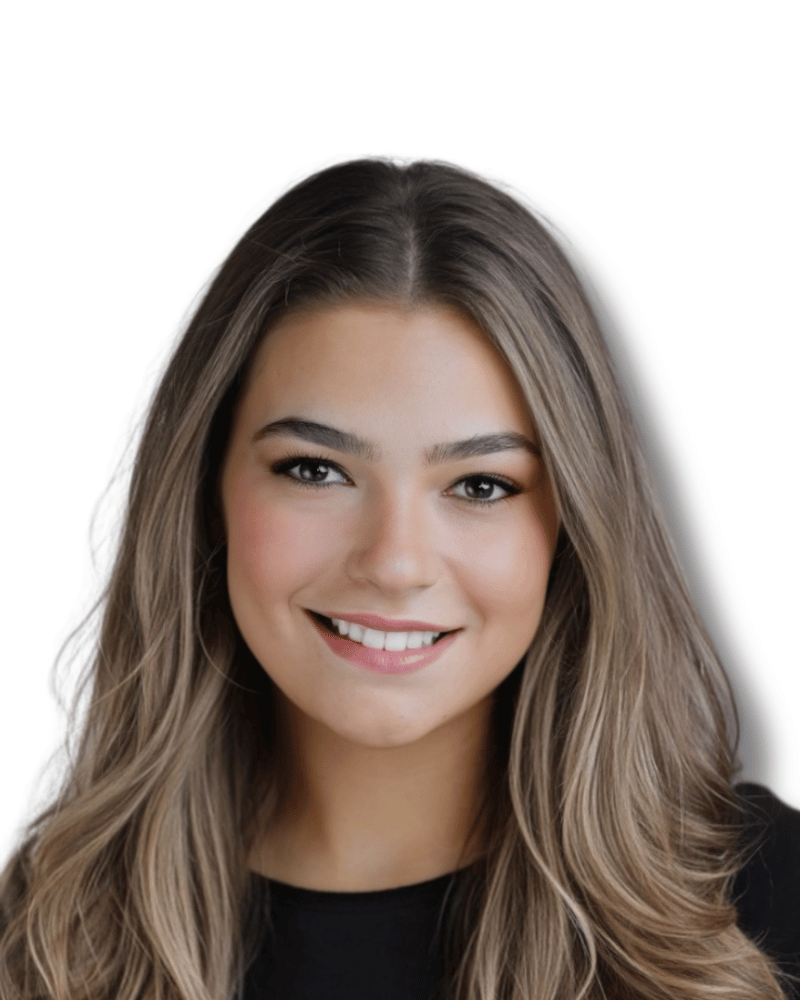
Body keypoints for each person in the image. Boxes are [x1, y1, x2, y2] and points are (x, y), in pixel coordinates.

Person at [0, 159, 797, 1000]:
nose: (395, 563)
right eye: (315, 470)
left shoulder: (759, 904)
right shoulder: (51, 941)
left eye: (481, 486)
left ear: (573, 528)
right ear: (205, 493)